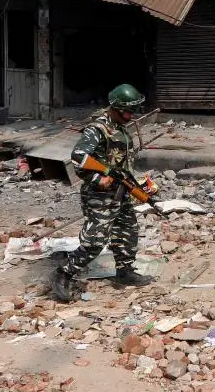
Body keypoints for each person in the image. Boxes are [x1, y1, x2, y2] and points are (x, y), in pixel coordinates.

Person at [51, 84, 154, 303]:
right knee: (95, 240)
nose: (131, 115)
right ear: (115, 108)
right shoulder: (97, 129)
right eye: (127, 111)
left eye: (133, 111)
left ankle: (125, 272)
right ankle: (64, 273)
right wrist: (99, 178)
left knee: (128, 231)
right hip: (99, 195)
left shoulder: (121, 128)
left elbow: (121, 163)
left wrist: (139, 186)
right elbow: (78, 157)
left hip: (121, 191)